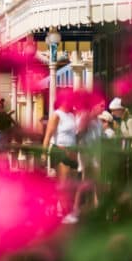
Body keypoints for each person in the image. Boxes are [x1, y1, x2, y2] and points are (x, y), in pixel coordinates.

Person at [42, 91, 79, 221]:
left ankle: (69, 208)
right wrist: (43, 153)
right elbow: (48, 135)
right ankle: (64, 211)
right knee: (64, 182)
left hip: (73, 151)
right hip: (60, 150)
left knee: (73, 182)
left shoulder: (72, 114)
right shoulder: (57, 115)